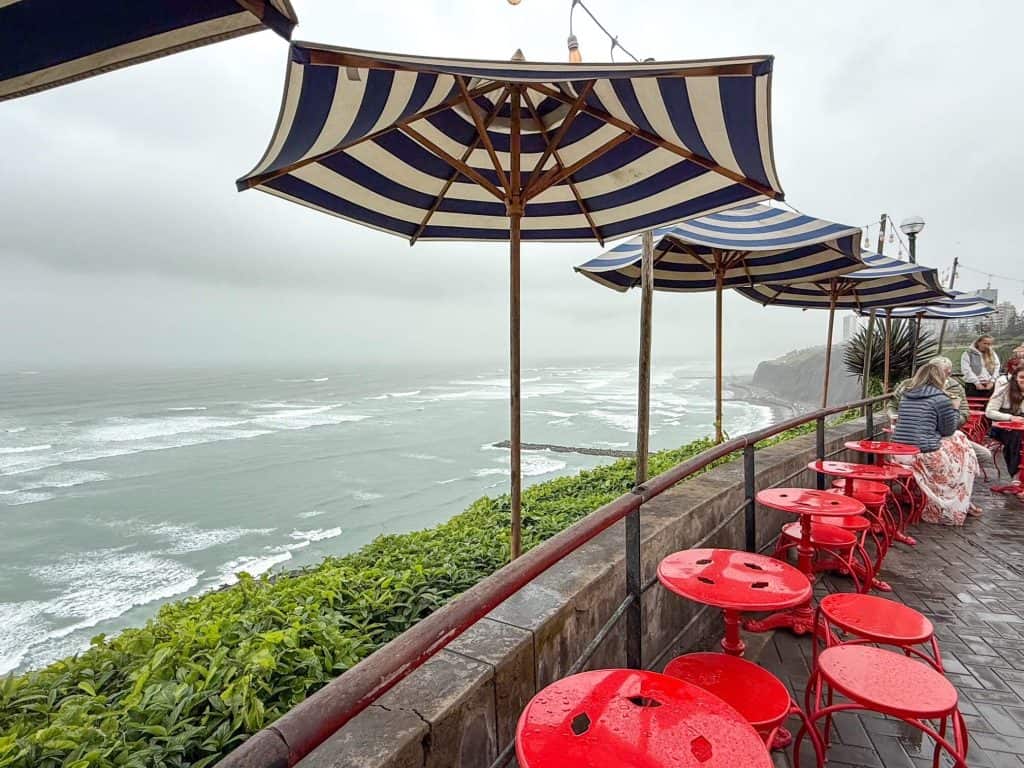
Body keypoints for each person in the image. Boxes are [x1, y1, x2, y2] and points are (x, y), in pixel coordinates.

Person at [892, 362, 979, 526]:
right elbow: (948, 430)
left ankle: (963, 501)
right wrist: (954, 409)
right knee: (963, 455)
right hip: (923, 453)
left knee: (959, 442)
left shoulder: (906, 396)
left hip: (898, 452)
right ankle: (958, 503)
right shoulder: (941, 399)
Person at [888, 356, 969, 426]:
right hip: (917, 432)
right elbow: (892, 404)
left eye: (940, 372)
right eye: (934, 372)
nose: (936, 376)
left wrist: (951, 422)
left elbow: (964, 413)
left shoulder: (956, 387)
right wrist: (893, 415)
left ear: (949, 372)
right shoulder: (907, 384)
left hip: (942, 431)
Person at [985, 367, 1024, 494]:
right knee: (1016, 437)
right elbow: (989, 412)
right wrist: (1010, 417)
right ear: (1016, 378)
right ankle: (1016, 475)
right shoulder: (1004, 391)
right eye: (1022, 377)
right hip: (1002, 427)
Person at [961, 335, 1000, 399]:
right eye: (984, 343)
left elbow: (997, 367)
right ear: (978, 342)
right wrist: (977, 383)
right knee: (974, 406)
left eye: (989, 344)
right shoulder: (968, 354)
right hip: (973, 386)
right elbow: (966, 370)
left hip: (989, 385)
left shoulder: (992, 354)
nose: (986, 346)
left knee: (989, 406)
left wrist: (992, 381)